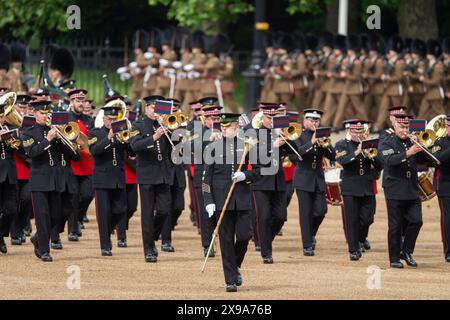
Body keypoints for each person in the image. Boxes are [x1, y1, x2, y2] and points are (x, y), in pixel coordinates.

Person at [202, 113, 260, 292]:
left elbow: (258, 172)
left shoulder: (248, 146)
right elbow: (206, 180)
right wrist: (208, 201)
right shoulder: (213, 148)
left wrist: (246, 175)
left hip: (242, 199)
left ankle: (235, 266)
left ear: (236, 128)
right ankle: (230, 279)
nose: (223, 130)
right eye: (222, 127)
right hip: (221, 201)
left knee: (244, 236)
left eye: (227, 127)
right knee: (226, 240)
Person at [379, 113, 433, 268]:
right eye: (402, 127)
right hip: (394, 189)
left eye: (407, 127)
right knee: (395, 225)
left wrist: (422, 147)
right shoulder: (387, 142)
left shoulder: (413, 142)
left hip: (411, 189)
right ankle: (394, 258)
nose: (405, 130)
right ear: (395, 126)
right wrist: (409, 152)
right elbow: (389, 161)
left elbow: (431, 162)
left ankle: (406, 251)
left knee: (417, 221)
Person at [130, 95, 175, 262]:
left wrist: (170, 130)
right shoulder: (138, 124)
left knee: (164, 210)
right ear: (146, 108)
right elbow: (134, 146)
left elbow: (178, 146)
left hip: (164, 174)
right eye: (152, 108)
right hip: (147, 174)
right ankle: (148, 249)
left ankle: (152, 237)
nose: (156, 112)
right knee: (147, 214)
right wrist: (154, 137)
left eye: (158, 109)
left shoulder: (167, 124)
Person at [88, 99, 133, 256]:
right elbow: (94, 150)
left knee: (121, 210)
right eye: (109, 120)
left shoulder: (121, 133)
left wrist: (127, 141)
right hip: (102, 178)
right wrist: (108, 137)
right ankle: (105, 246)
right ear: (104, 119)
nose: (112, 122)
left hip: (118, 178)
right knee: (103, 213)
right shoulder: (95, 133)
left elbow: (132, 154)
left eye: (115, 120)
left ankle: (107, 231)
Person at [335, 120, 383, 261]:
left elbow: (380, 165)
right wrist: (357, 152)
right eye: (355, 132)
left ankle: (361, 239)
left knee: (368, 218)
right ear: (350, 131)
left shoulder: (371, 145)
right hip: (350, 187)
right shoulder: (342, 144)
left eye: (360, 132)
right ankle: (353, 250)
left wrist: (373, 156)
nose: (358, 135)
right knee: (352, 219)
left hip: (366, 186)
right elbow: (342, 161)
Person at [292, 108, 335, 256]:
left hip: (318, 178)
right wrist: (312, 142)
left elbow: (333, 155)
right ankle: (307, 245)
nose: (314, 123)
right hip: (303, 178)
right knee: (305, 213)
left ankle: (311, 235)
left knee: (321, 210)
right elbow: (297, 155)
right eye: (311, 120)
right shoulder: (298, 135)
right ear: (305, 121)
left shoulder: (323, 136)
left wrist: (327, 145)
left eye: (316, 120)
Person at [432, 115, 450, 262]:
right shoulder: (440, 141)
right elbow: (436, 159)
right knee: (448, 218)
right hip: (446, 184)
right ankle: (449, 251)